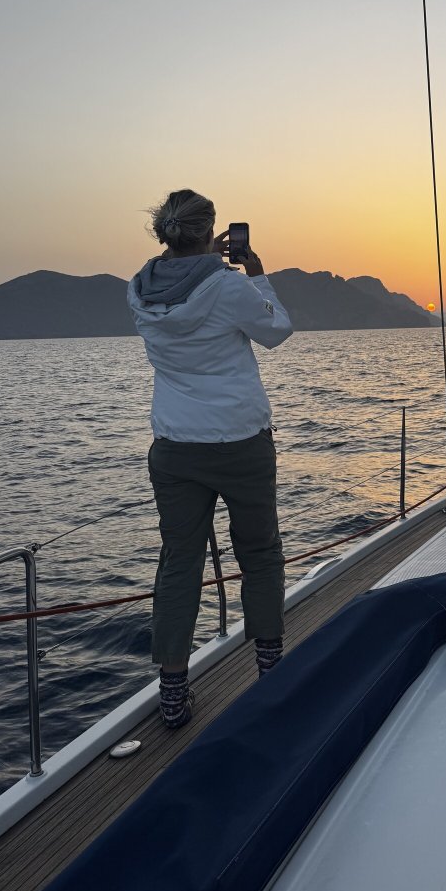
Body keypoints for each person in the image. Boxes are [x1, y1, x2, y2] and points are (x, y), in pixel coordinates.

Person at [128, 188, 293, 729]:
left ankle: (173, 694)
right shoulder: (227, 286)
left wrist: (200, 257)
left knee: (179, 563)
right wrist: (257, 275)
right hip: (241, 440)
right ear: (210, 232)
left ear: (165, 231)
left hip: (175, 446)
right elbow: (277, 332)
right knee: (261, 554)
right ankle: (271, 674)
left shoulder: (139, 290)